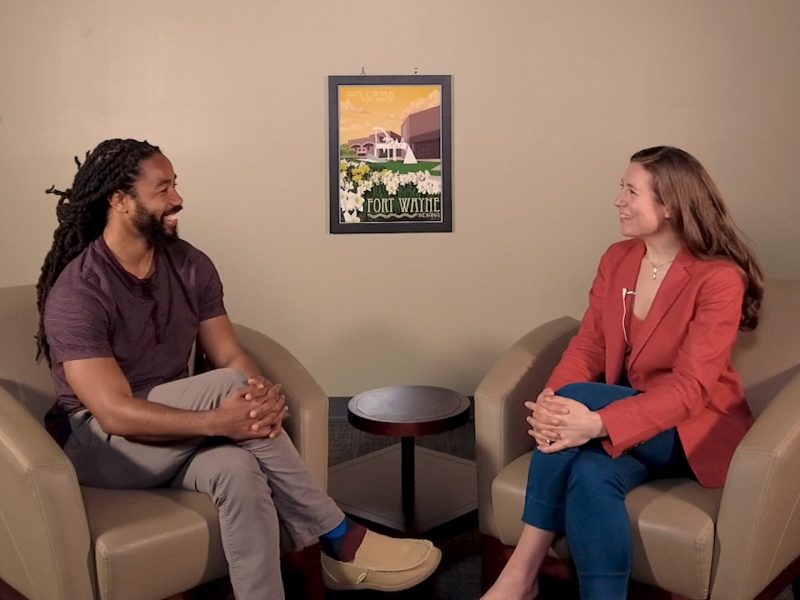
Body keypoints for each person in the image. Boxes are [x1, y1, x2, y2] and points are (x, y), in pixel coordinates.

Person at [36, 138, 441, 600]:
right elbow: (113, 412)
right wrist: (217, 419)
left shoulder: (190, 265)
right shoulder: (79, 292)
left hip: (172, 433)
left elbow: (230, 356)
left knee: (237, 471)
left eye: (176, 185)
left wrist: (261, 397)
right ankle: (338, 535)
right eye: (162, 188)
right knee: (226, 391)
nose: (178, 198)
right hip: (101, 446)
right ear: (120, 200)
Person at [482, 146, 764, 600]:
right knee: (590, 476)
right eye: (622, 189)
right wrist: (555, 398)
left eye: (631, 191)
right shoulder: (617, 259)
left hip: (691, 429)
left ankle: (521, 572)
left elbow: (692, 389)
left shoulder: (719, 279)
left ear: (670, 206)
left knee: (580, 401)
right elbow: (589, 343)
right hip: (626, 424)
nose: (618, 200)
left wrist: (593, 422)